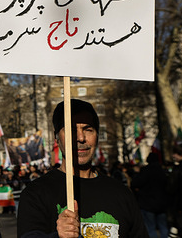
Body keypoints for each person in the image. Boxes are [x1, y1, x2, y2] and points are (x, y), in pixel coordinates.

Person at [17, 99, 148, 238]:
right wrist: (57, 236)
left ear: (97, 136)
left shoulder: (121, 193)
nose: (80, 138)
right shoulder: (36, 194)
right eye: (71, 130)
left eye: (88, 130)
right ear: (57, 137)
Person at [131, 152, 169, 238]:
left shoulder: (146, 171)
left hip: (148, 204)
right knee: (163, 227)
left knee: (150, 228)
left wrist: (136, 174)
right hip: (161, 204)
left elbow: (135, 183)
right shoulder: (162, 171)